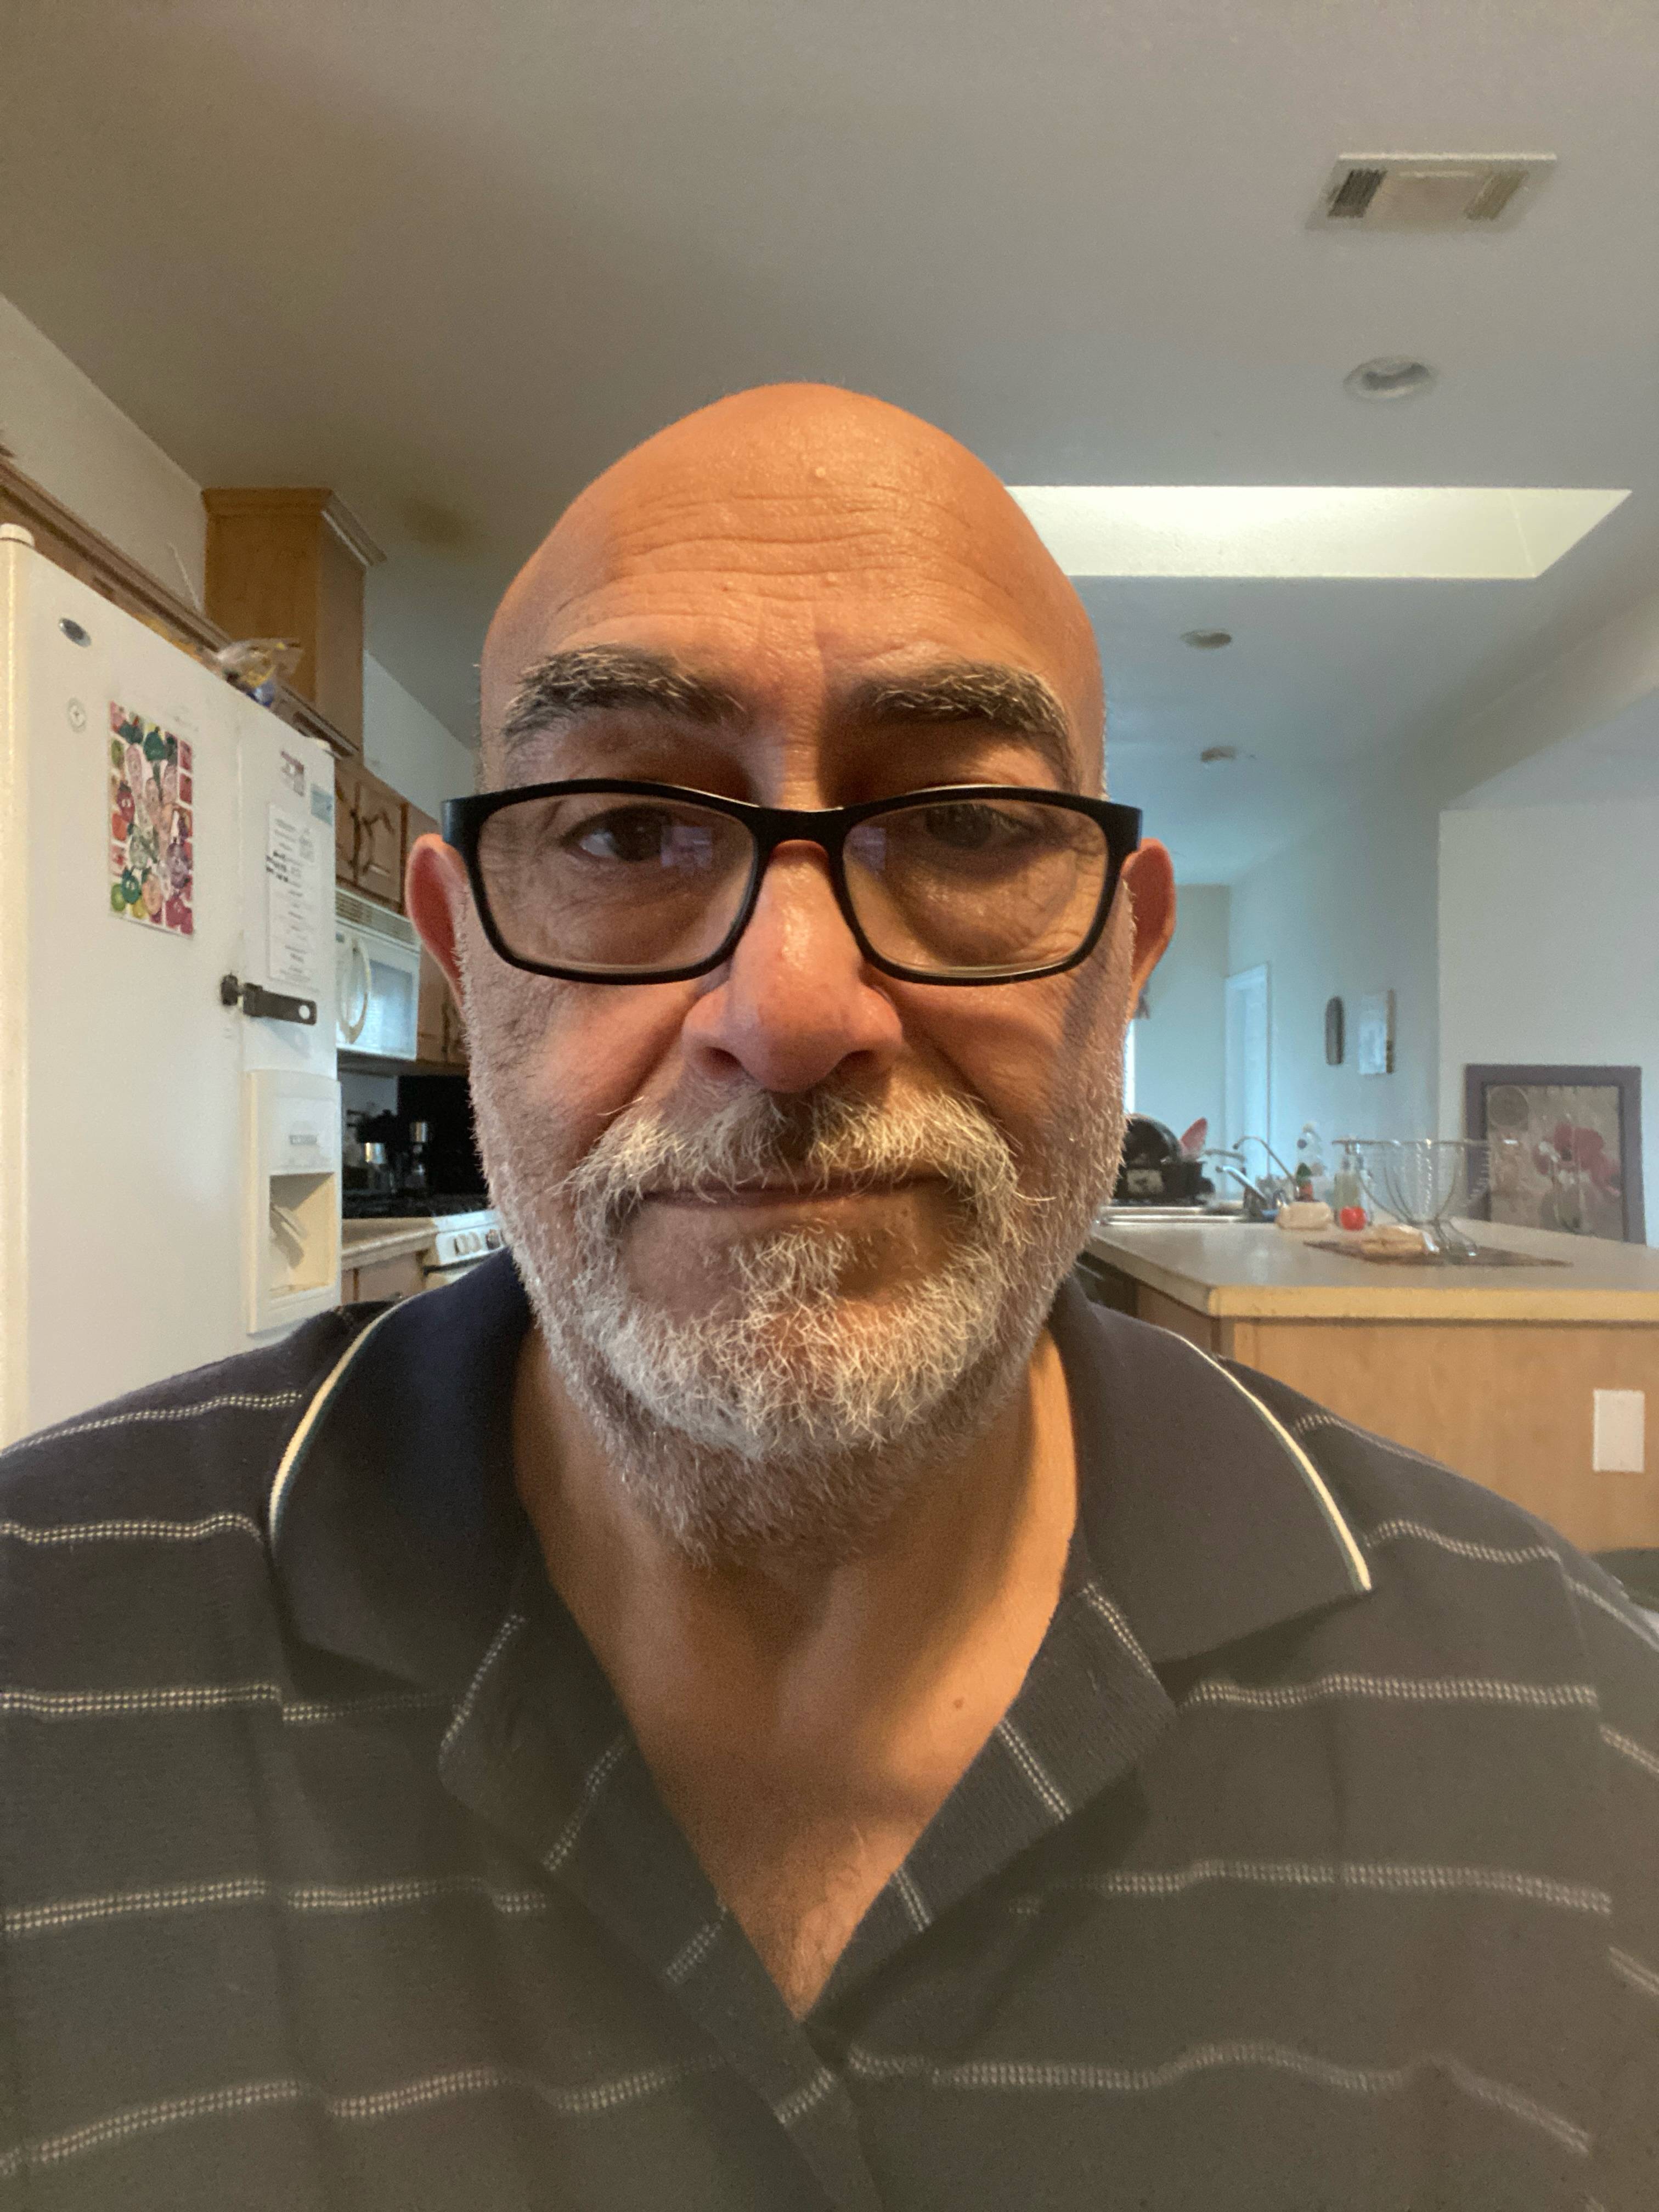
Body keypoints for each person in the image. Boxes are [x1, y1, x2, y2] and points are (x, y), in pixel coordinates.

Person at [0, 385, 1653, 2210]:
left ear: (1126, 959)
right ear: (465, 950)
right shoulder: (36, 1668)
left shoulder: (1573, 1746)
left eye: (964, 827)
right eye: (626, 833)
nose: (788, 1011)